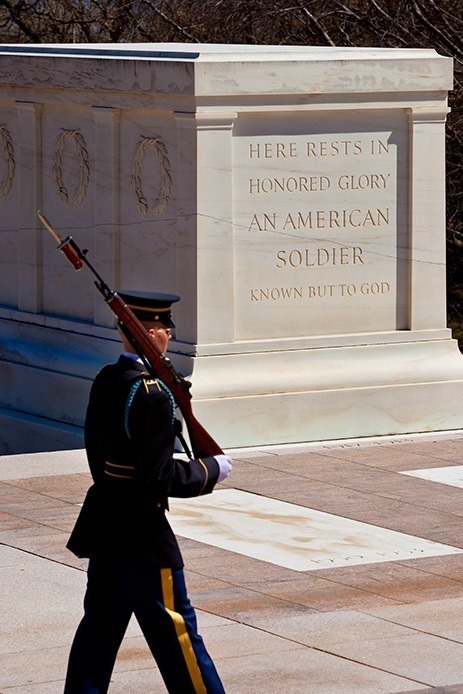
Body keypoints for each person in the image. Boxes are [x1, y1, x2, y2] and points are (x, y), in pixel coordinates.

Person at [64, 290, 232, 694]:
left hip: (105, 527)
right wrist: (209, 470)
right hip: (143, 537)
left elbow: (98, 457)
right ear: (148, 332)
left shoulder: (106, 379)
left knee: (97, 638)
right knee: (178, 636)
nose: (168, 335)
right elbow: (159, 477)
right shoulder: (152, 394)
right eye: (162, 328)